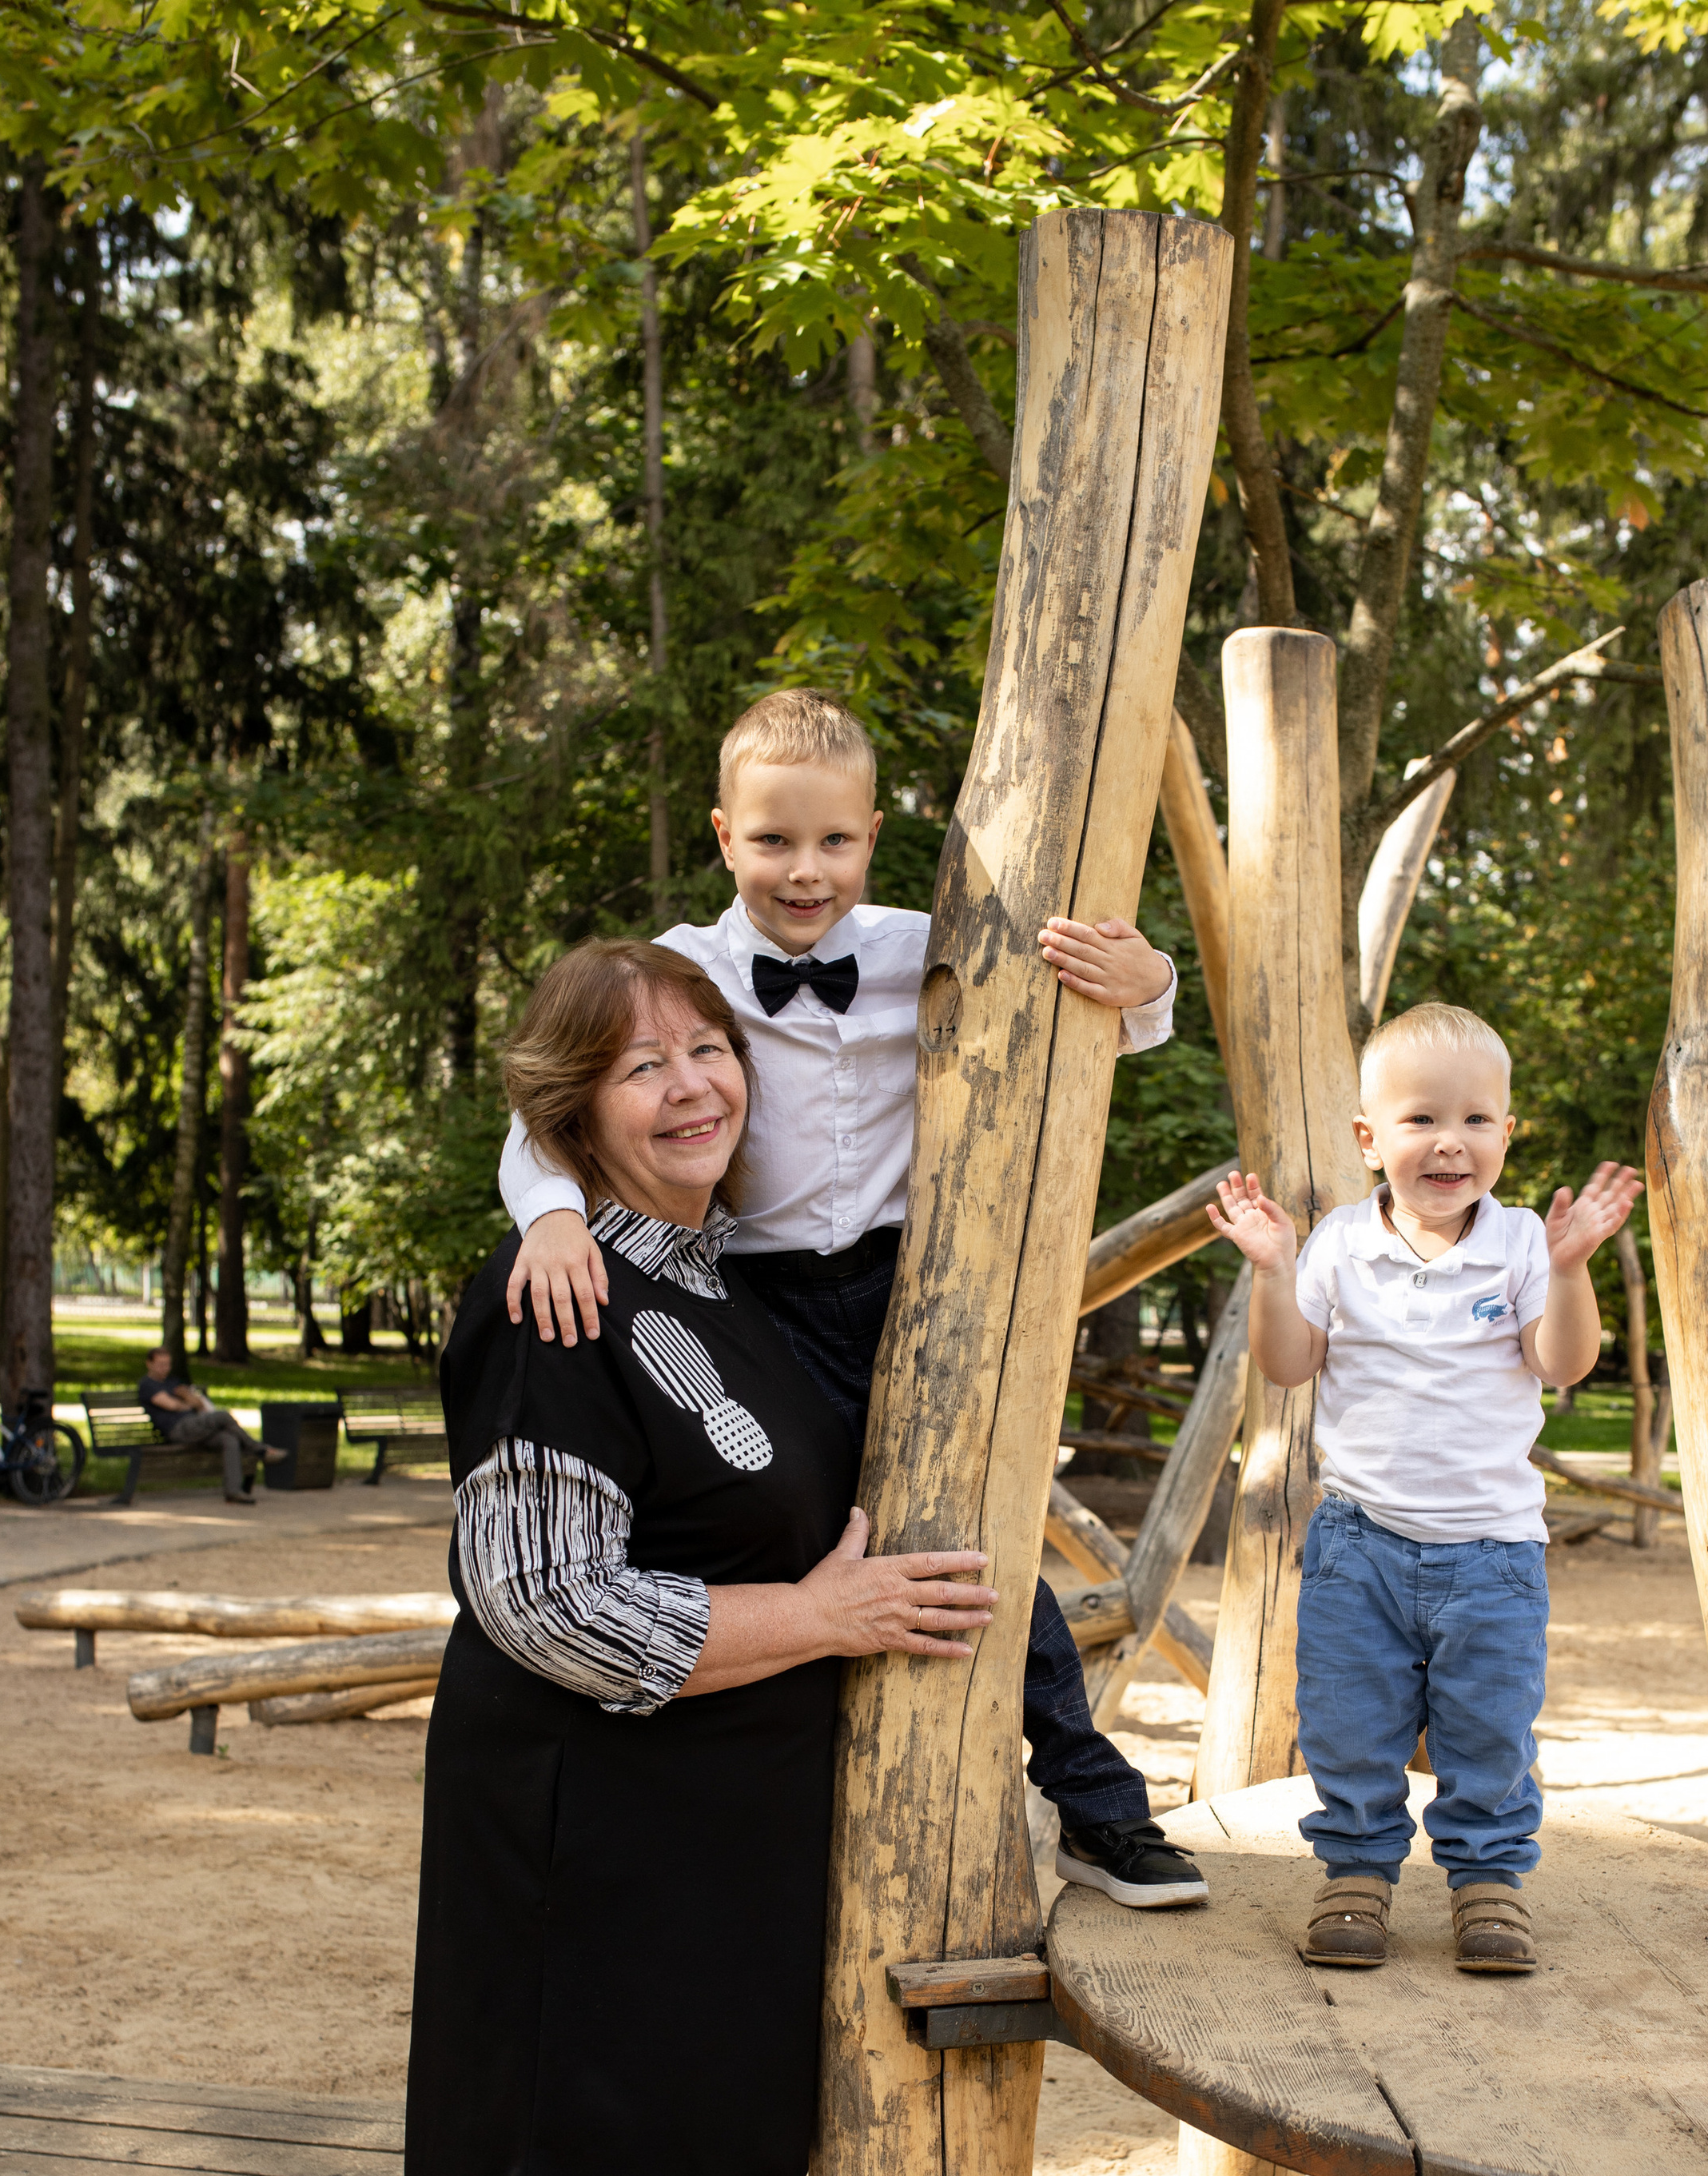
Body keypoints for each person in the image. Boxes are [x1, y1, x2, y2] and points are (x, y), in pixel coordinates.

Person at [407, 936, 999, 2176]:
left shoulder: (717, 1282)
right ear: (571, 1111)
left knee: (643, 2158)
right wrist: (824, 1617)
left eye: (707, 1051)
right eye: (640, 1065)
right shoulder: (553, 1295)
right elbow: (544, 1600)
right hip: (574, 1812)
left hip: (706, 1818)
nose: (691, 1088)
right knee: (548, 2170)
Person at [497, 686, 1208, 1915]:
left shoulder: (928, 945)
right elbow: (546, 1112)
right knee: (827, 1543)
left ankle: (1094, 1805)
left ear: (873, 834)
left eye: (834, 840)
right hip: (747, 1304)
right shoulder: (677, 972)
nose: (805, 870)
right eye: (773, 840)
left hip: (913, 1292)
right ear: (724, 836)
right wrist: (552, 1217)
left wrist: (1148, 979)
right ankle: (806, 1815)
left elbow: (1116, 1029)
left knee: (967, 1533)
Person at [1206, 999, 1642, 1976]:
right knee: (1347, 1723)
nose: (1451, 1141)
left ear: (1505, 1133)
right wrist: (1274, 1271)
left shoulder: (1524, 1241)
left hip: (1491, 1552)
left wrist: (1571, 1269)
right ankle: (1355, 1875)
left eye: (1475, 1119)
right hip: (1359, 1543)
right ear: (1370, 1139)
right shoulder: (1338, 1244)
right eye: (1421, 1119)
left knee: (1488, 1728)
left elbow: (1561, 1363)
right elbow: (1287, 1365)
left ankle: (1486, 1881)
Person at [137, 1350, 271, 1503]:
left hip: (195, 1427)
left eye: (167, 1364)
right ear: (149, 1364)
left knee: (229, 1439)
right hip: (177, 1430)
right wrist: (187, 1402)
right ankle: (259, 1449)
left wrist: (186, 1399)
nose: (165, 1368)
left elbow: (199, 1403)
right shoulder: (147, 1385)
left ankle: (234, 1491)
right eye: (161, 1364)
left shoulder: (173, 1382)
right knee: (223, 1416)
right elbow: (172, 1405)